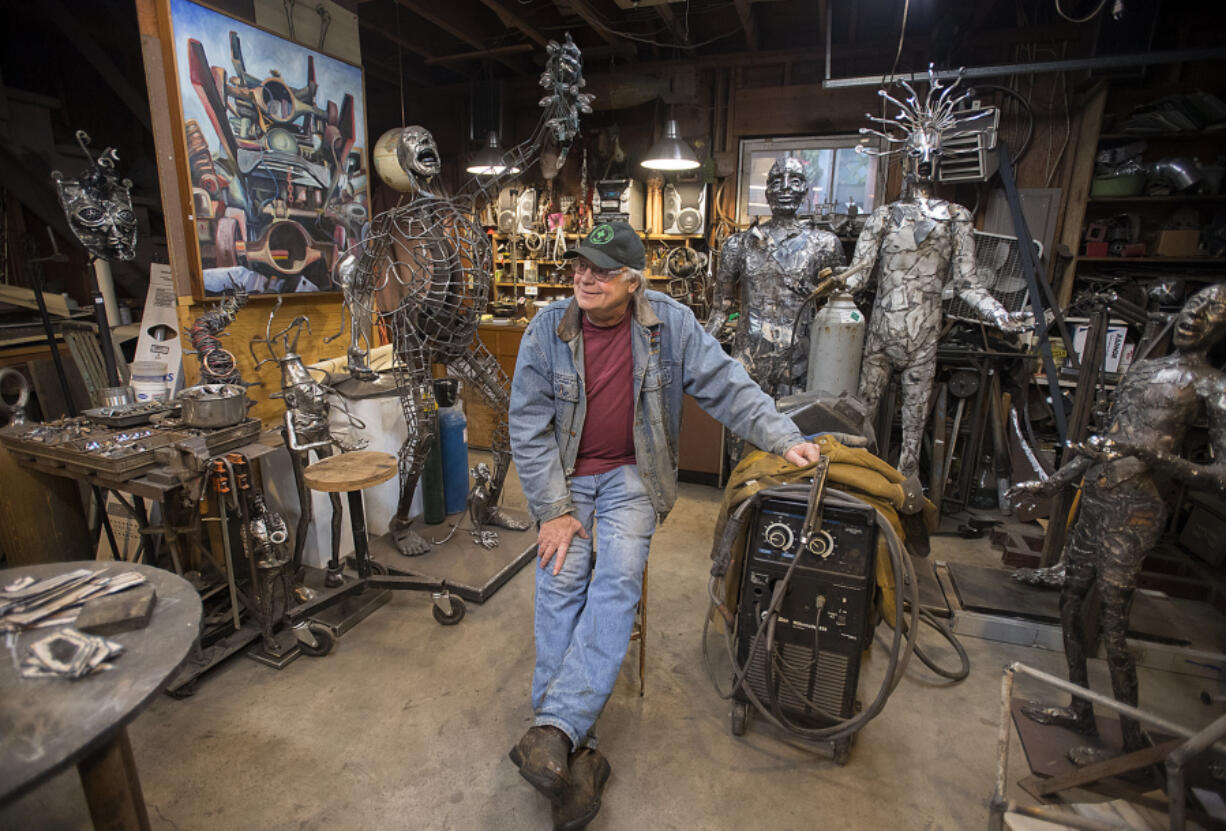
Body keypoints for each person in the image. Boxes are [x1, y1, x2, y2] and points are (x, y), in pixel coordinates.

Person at [508, 220, 822, 829]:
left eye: (600, 270)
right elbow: (528, 426)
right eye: (579, 265)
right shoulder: (548, 329)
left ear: (632, 280)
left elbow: (729, 386)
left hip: (633, 478)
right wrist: (555, 513)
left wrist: (784, 438)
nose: (584, 277)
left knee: (617, 576)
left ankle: (551, 729)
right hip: (566, 479)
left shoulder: (669, 325)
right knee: (560, 576)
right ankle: (576, 749)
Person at [1008, 283, 1226, 765]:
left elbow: (1220, 475)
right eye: (1193, 307)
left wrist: (1153, 454)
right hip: (1098, 498)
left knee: (1113, 628)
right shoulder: (1144, 368)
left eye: (1209, 314)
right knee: (1069, 607)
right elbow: (1104, 442)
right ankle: (1080, 711)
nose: (1195, 318)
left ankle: (1130, 740)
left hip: (1137, 508)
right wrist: (1050, 485)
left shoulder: (1213, 386)